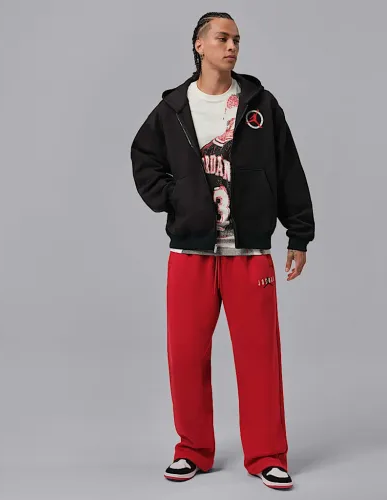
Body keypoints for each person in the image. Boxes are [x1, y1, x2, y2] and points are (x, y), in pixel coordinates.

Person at [130, 11, 315, 490]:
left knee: (259, 358)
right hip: (190, 254)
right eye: (222, 38)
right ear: (199, 45)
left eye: (236, 39)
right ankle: (192, 449)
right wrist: (178, 199)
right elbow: (144, 159)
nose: (232, 46)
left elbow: (288, 168)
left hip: (248, 254)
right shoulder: (173, 108)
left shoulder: (260, 105)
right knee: (186, 357)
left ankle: (268, 455)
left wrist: (299, 233)